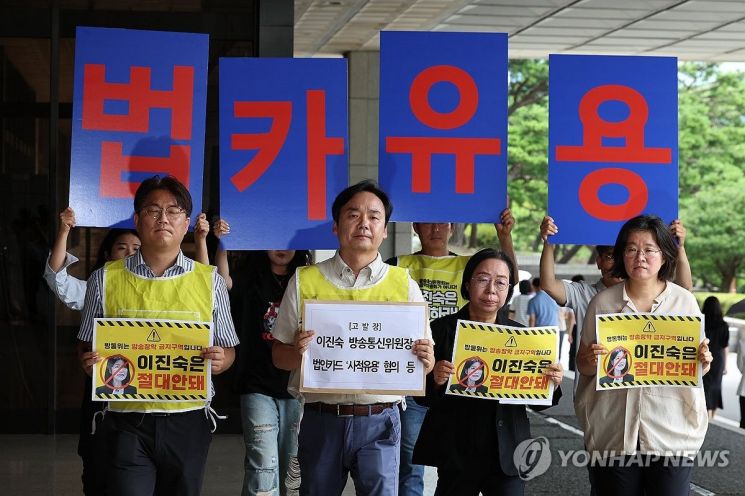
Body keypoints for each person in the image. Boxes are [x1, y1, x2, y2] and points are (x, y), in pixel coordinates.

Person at [77, 175, 239, 496]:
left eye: (174, 211)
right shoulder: (105, 279)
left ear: (187, 223)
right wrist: (88, 361)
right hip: (126, 419)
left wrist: (222, 361)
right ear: (137, 220)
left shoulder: (210, 281)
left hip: (188, 419)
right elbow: (85, 345)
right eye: (153, 210)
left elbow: (228, 350)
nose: (163, 218)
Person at [271, 180, 434, 496]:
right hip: (322, 420)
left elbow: (423, 364)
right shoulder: (305, 279)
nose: (364, 224)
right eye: (353, 214)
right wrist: (298, 351)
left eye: (374, 217)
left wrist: (426, 360)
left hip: (381, 420)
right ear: (335, 225)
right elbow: (279, 356)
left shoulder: (404, 284)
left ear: (384, 230)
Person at [575, 214, 712, 495]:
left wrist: (704, 362)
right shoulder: (602, 303)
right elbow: (584, 365)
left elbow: (696, 368)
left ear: (664, 256)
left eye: (649, 249)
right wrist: (588, 361)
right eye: (631, 249)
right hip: (612, 434)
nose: (640, 257)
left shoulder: (683, 302)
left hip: (671, 432)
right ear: (622, 255)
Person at [385, 211, 517, 496]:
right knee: (409, 464)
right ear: (415, 225)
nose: (436, 227)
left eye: (443, 221)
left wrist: (505, 237)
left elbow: (505, 273)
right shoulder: (398, 266)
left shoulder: (468, 264)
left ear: (453, 227)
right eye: (429, 220)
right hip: (418, 373)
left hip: (472, 379)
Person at [413, 248, 563, 495]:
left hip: (508, 454)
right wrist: (436, 380)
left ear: (508, 289)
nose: (491, 289)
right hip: (456, 454)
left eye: (501, 282)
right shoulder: (440, 330)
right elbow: (422, 397)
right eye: (483, 279)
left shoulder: (524, 337)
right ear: (467, 283)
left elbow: (539, 404)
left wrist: (552, 383)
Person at [43, 207, 141, 496]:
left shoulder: (162, 291)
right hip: (103, 389)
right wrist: (64, 231)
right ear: (108, 254)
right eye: (122, 247)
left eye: (137, 248)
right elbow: (57, 278)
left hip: (145, 393)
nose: (129, 253)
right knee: (98, 463)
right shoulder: (97, 287)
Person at [539, 216, 693, 376]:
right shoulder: (586, 295)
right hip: (596, 395)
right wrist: (549, 243)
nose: (616, 263)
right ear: (598, 261)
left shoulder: (652, 295)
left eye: (648, 250)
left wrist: (679, 246)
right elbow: (548, 284)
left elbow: (684, 289)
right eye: (609, 256)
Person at [226, 237, 311, 496]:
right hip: (256, 384)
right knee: (262, 463)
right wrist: (217, 242)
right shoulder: (247, 278)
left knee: (292, 469)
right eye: (274, 239)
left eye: (288, 241)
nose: (281, 247)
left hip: (297, 386)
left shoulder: (308, 280)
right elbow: (221, 282)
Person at [702, 296, 729, 419]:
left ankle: (706, 414)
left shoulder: (702, 323)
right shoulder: (723, 325)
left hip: (704, 357)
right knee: (716, 386)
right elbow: (725, 346)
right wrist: (726, 365)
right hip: (718, 359)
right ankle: (713, 415)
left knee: (706, 386)